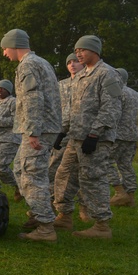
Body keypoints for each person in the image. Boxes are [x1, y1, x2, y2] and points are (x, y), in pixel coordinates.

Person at [52, 36, 122, 238]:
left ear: (95, 51)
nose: (78, 54)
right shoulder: (82, 76)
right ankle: (64, 216)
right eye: (76, 50)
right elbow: (74, 109)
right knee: (63, 174)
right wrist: (63, 131)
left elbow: (112, 107)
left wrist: (94, 133)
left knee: (92, 178)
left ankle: (101, 225)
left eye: (82, 50)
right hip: (75, 137)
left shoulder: (108, 74)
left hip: (95, 140)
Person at [0, 29, 61, 241]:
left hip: (38, 129)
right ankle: (38, 213)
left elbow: (33, 99)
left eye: (5, 48)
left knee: (31, 176)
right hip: (44, 127)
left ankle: (45, 227)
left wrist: (33, 131)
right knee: (19, 168)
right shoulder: (41, 62)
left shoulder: (27, 65)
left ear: (13, 45)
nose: (4, 53)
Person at [48, 53, 84, 184]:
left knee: (79, 168)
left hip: (80, 130)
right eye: (69, 62)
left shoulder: (88, 82)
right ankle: (51, 194)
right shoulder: (61, 85)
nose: (72, 65)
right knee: (54, 164)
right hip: (62, 131)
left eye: (75, 61)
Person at [109, 68, 138, 207]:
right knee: (126, 165)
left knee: (105, 162)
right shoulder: (135, 93)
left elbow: (113, 113)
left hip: (118, 135)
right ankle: (130, 197)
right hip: (132, 135)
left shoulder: (117, 92)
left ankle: (119, 192)